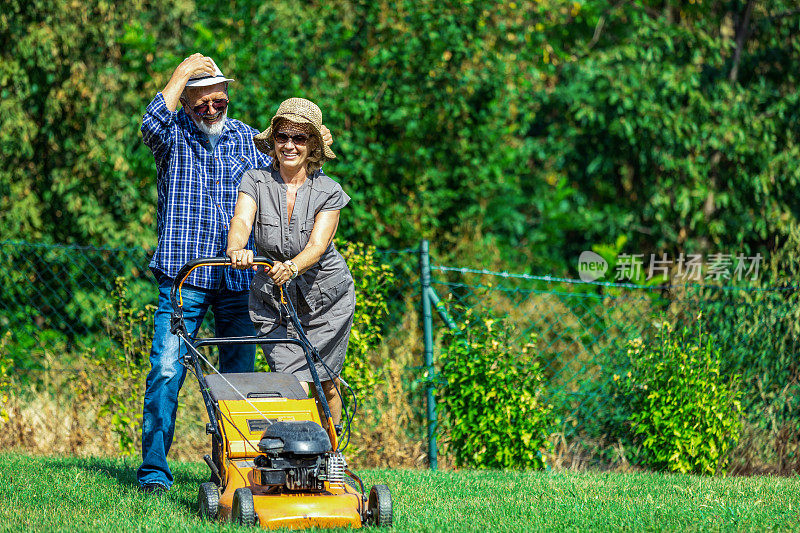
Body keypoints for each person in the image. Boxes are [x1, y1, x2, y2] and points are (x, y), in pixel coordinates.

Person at [137, 55, 332, 494]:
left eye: (217, 100)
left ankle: (234, 472)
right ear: (186, 101)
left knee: (238, 381)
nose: (210, 109)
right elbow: (149, 124)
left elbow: (290, 170)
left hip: (239, 281)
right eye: (200, 102)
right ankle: (154, 474)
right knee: (167, 370)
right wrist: (183, 73)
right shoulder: (172, 135)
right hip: (183, 275)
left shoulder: (247, 139)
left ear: (228, 98)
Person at [226, 97, 355, 426]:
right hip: (275, 301)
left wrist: (294, 265)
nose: (289, 145)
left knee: (324, 382)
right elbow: (242, 221)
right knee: (292, 383)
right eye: (283, 136)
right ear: (273, 140)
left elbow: (318, 245)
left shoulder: (328, 191)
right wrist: (237, 249)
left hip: (326, 301)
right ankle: (297, 456)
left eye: (299, 138)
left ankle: (332, 455)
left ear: (311, 144)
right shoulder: (255, 180)